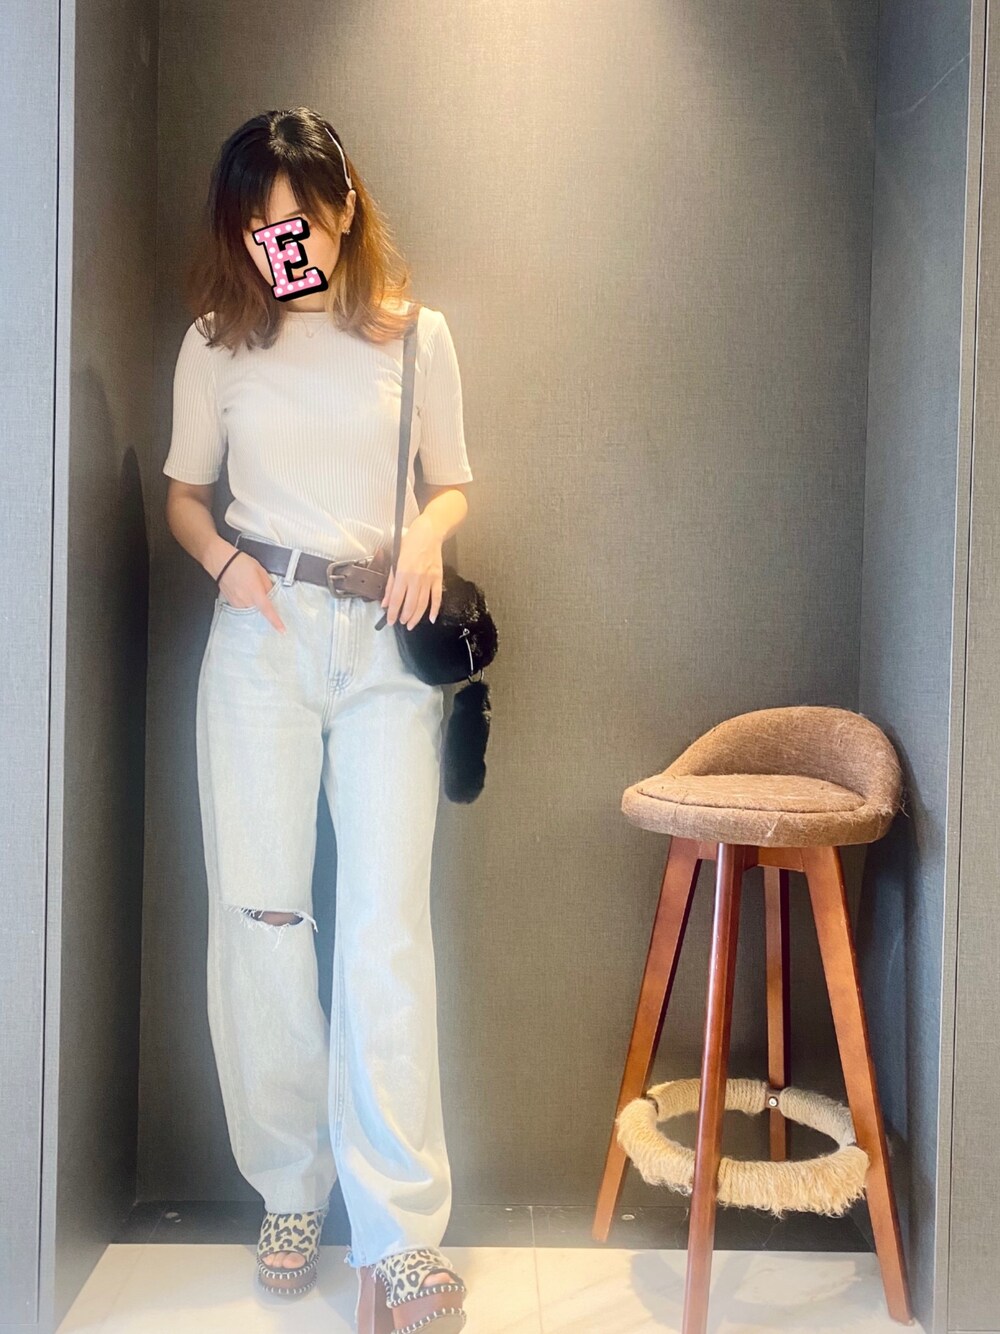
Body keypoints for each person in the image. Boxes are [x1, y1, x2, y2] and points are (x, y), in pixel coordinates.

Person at [163, 106, 471, 1332]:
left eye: (295, 222)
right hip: (261, 637)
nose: (277, 246)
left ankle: (399, 1232)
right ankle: (290, 1187)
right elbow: (186, 497)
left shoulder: (415, 334)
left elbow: (453, 484)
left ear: (345, 209)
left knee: (386, 929)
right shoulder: (215, 342)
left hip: (385, 640)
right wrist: (226, 566)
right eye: (256, 228)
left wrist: (428, 534)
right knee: (263, 917)